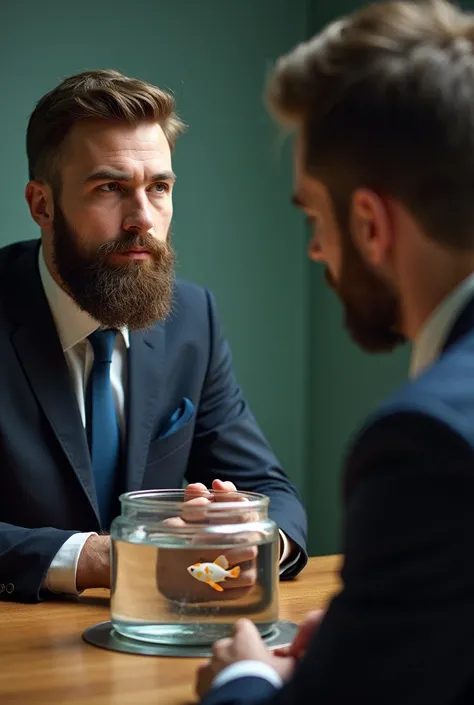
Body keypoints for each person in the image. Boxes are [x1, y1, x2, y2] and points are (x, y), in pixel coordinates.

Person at [196, 1, 474, 703]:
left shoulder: (423, 442)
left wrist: (245, 674)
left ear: (370, 224)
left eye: (315, 218)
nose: (316, 249)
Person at [0, 69, 307, 604]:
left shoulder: (192, 318)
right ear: (42, 205)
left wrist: (250, 536)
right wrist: (95, 558)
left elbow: (273, 493)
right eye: (109, 188)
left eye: (159, 188)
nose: (142, 218)